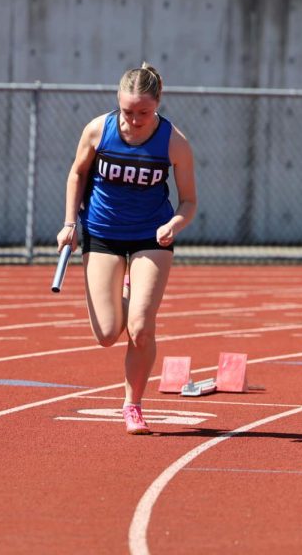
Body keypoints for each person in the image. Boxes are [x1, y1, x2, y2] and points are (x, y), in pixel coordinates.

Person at [57, 64, 197, 435]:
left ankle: (132, 404)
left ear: (158, 104)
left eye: (144, 113)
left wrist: (175, 224)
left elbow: (189, 202)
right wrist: (70, 223)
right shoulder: (97, 130)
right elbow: (77, 173)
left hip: (152, 236)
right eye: (128, 112)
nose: (134, 121)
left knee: (141, 329)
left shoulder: (173, 142)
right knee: (106, 334)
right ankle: (125, 293)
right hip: (102, 233)